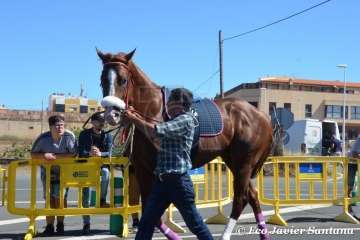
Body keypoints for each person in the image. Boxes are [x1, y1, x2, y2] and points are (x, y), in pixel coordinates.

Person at [124, 88, 213, 240]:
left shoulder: (185, 119)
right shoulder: (174, 121)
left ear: (180, 104)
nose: (168, 106)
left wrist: (134, 118)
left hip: (179, 183)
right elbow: (155, 137)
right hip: (162, 182)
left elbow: (156, 131)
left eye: (170, 103)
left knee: (195, 224)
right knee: (146, 222)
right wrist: (136, 116)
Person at [31, 115, 77, 236]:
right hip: (47, 170)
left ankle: (60, 225)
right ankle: (49, 226)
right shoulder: (42, 138)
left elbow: (73, 153)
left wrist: (55, 157)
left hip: (64, 170)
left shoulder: (69, 136)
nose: (60, 128)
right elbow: (33, 154)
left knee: (61, 198)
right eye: (57, 125)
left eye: (62, 125)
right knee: (49, 198)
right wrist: (44, 155)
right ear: (50, 127)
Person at [78, 112, 112, 235]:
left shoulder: (107, 136)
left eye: (103, 121)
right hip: (85, 168)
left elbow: (110, 152)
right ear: (92, 122)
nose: (102, 123)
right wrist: (90, 153)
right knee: (85, 196)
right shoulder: (84, 134)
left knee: (106, 173)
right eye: (99, 121)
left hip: (101, 166)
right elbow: (80, 151)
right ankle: (86, 223)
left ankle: (102, 199)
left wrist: (100, 154)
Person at [348, 134, 360, 218]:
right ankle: (348, 208)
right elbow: (355, 154)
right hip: (352, 162)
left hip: (357, 162)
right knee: (349, 185)